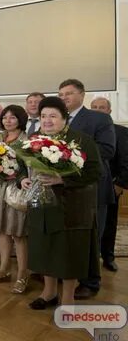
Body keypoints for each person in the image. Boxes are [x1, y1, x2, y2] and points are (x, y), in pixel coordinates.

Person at [23, 97, 101, 310]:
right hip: (42, 206)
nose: (47, 120)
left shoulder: (81, 140)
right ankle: (48, 293)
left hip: (71, 207)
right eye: (43, 116)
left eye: (53, 116)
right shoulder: (34, 139)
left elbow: (95, 172)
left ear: (64, 118)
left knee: (68, 253)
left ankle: (68, 298)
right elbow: (23, 164)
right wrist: (23, 178)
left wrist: (62, 179)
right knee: (44, 248)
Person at [58, 78, 115, 299]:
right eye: (61, 94)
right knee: (69, 236)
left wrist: (68, 158)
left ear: (82, 95)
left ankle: (90, 282)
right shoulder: (58, 120)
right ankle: (67, 275)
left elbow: (106, 150)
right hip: (63, 188)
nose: (64, 98)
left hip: (92, 186)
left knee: (91, 236)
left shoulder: (98, 118)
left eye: (69, 94)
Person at [0, 105, 30, 294]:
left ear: (20, 119)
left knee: (18, 234)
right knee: (2, 231)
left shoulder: (26, 140)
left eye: (12, 118)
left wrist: (15, 175)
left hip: (16, 190)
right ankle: (4, 269)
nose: (7, 120)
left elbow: (28, 169)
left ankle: (22, 274)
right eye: (5, 117)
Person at [90, 97, 128, 272]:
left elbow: (126, 160)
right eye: (94, 107)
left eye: (102, 107)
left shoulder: (121, 131)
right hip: (89, 186)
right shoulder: (87, 130)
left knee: (109, 223)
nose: (98, 110)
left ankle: (108, 257)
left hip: (111, 185)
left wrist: (120, 184)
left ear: (109, 111)